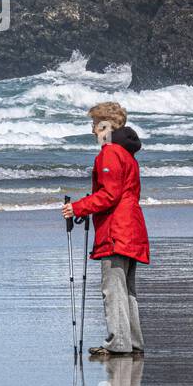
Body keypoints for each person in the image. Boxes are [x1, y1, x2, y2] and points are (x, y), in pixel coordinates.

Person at [62, 101, 150, 357]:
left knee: (113, 288)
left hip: (117, 230)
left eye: (95, 126)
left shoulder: (110, 153)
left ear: (105, 126)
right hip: (132, 228)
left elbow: (109, 195)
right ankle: (132, 341)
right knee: (126, 289)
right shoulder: (128, 156)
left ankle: (118, 343)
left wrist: (77, 208)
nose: (92, 131)